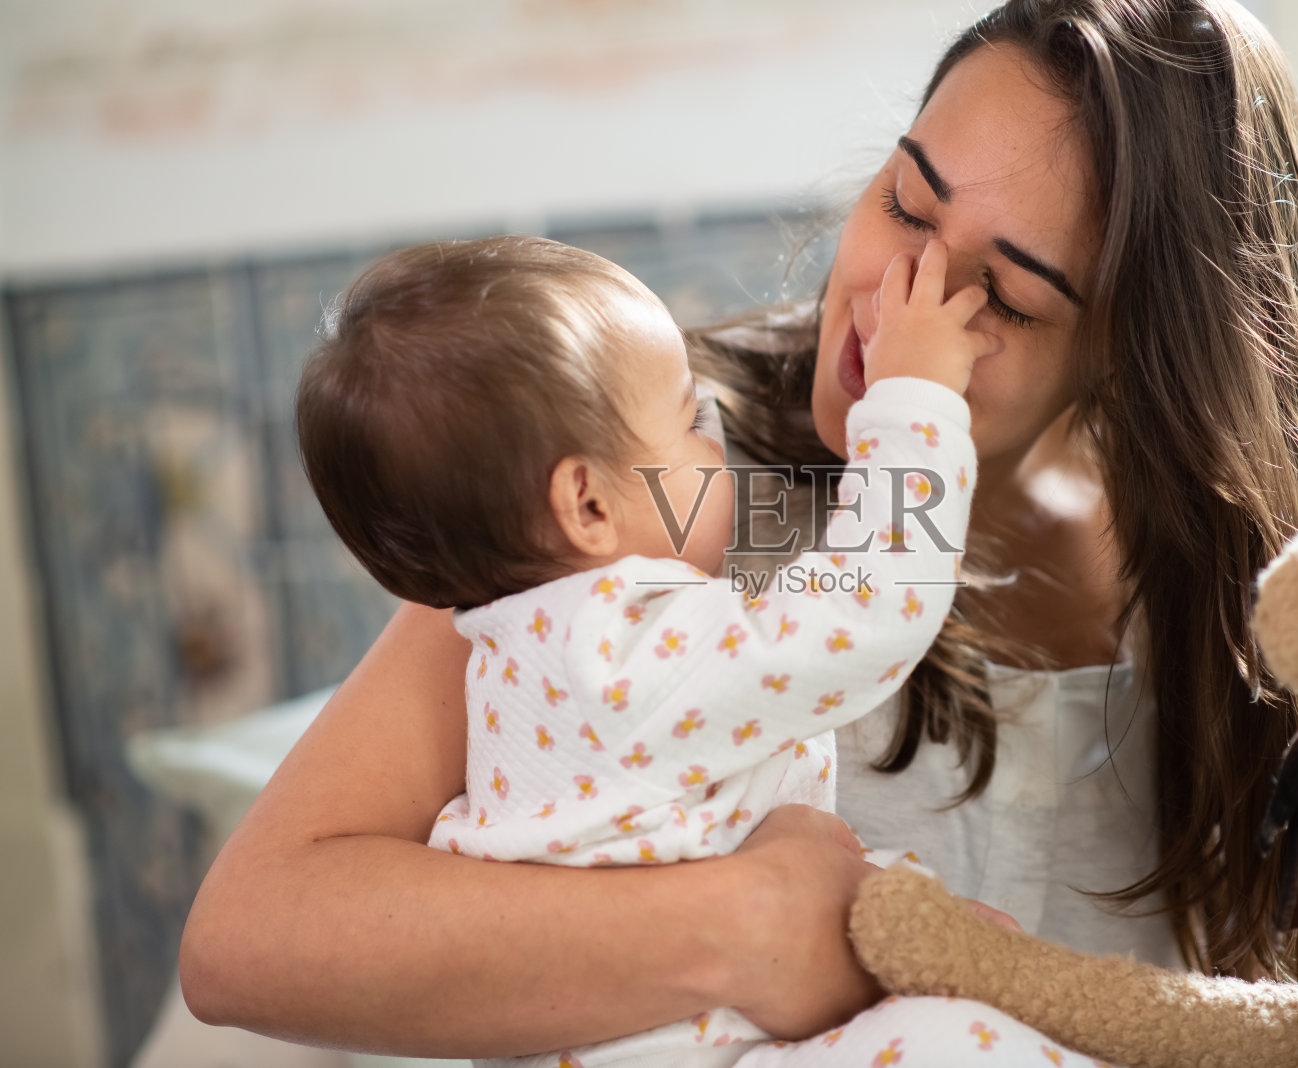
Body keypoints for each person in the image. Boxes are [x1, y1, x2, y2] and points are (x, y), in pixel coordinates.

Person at [180, 0, 1298, 1063]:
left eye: (998, 295)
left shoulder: (1252, 590)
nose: (897, 304)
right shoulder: (673, 498)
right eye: (904, 200)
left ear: (1137, 349)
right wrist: (737, 931)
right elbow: (250, 939)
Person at [292, 233, 995, 1064]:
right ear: (587, 504)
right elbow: (864, 612)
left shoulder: (512, 657)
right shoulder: (618, 650)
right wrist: (914, 404)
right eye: (692, 418)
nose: (719, 437)